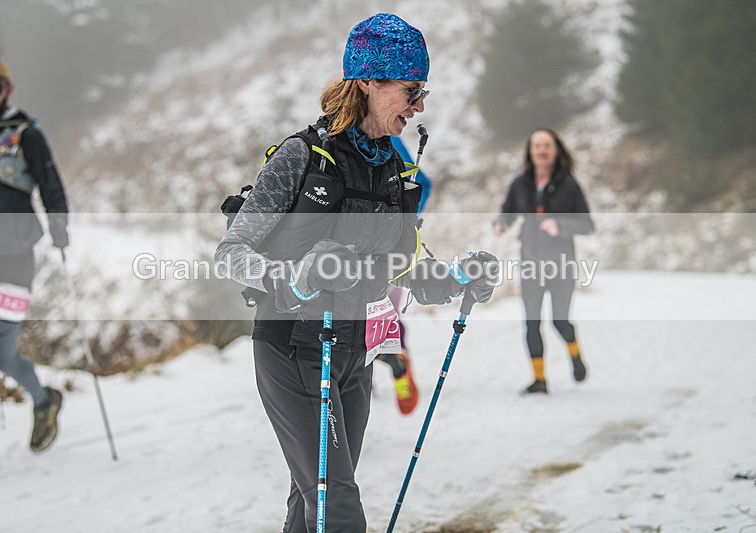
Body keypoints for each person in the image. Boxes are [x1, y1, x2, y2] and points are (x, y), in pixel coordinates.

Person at [216, 13, 497, 532]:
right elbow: (231, 252)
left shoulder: (392, 168)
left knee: (312, 507)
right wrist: (295, 278)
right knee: (338, 508)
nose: (419, 105)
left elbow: (401, 268)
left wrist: (456, 278)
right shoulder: (303, 156)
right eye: (411, 90)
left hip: (354, 356)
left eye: (422, 93)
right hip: (295, 346)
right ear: (368, 82)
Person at [0, 60, 68, 480]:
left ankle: (44, 401)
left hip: (13, 261)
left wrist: (60, 228)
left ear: (7, 90)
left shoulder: (27, 134)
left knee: (2, 357)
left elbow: (51, 185)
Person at [492, 128, 594, 395]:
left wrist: (560, 226)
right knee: (532, 323)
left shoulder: (569, 185)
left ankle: (575, 356)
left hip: (561, 266)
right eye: (537, 145)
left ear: (556, 150)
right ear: (530, 151)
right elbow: (507, 212)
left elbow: (587, 224)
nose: (542, 150)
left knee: (560, 321)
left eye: (547, 145)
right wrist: (501, 223)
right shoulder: (520, 184)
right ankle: (539, 380)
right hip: (530, 263)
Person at [373, 135, 433, 415]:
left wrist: (404, 220)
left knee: (383, 316)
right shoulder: (335, 141)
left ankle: (398, 367)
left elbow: (422, 184)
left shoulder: (390, 141)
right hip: (350, 250)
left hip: (391, 250)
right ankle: (370, 376)